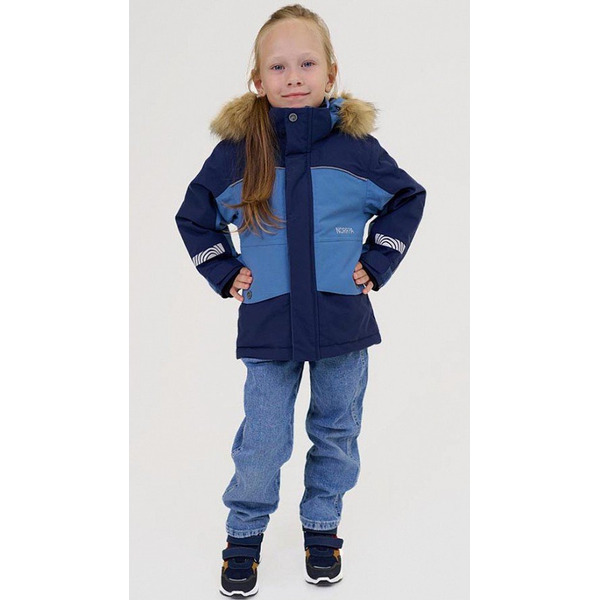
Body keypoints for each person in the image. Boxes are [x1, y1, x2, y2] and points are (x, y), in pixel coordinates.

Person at [174, 4, 426, 596]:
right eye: (278, 66)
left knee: (336, 431)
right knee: (263, 440)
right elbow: (195, 216)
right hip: (269, 322)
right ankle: (243, 535)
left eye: (307, 64)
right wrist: (225, 272)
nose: (294, 77)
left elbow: (407, 198)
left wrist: (378, 259)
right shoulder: (238, 153)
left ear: (331, 74)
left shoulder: (356, 149)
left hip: (342, 321)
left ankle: (322, 528)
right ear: (258, 80)